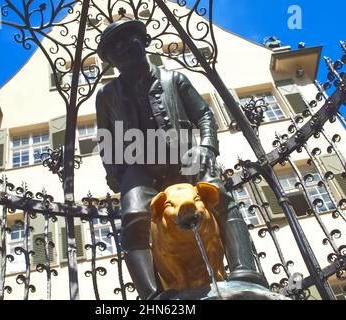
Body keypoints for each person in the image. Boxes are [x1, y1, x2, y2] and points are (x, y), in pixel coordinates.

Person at [95, 19, 268, 300]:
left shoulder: (173, 79)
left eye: (129, 38)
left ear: (145, 41)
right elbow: (106, 137)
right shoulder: (106, 96)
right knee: (133, 215)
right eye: (113, 46)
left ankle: (244, 270)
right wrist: (117, 172)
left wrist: (207, 148)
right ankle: (153, 294)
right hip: (140, 165)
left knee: (220, 195)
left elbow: (204, 114)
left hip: (186, 154)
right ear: (109, 59)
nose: (122, 47)